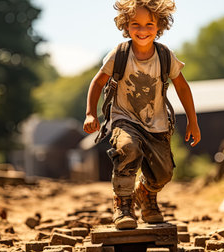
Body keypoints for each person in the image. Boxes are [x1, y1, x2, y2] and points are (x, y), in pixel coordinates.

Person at [83, 0, 201, 230]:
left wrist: (193, 122)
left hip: (157, 124)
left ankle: (145, 194)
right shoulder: (120, 53)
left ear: (160, 26)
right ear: (126, 25)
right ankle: (123, 205)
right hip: (124, 118)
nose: (143, 30)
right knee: (127, 148)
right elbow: (97, 82)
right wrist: (90, 113)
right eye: (136, 24)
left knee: (163, 174)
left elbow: (183, 88)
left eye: (149, 24)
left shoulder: (166, 56)